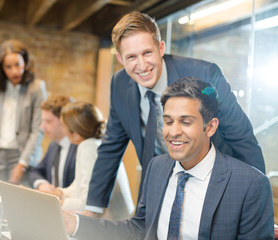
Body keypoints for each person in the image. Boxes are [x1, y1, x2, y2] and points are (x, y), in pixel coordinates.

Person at [86, 11, 265, 213]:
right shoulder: (119, 84)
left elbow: (241, 136)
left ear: (161, 48)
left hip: (213, 185)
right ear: (120, 58)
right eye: (131, 57)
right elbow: (111, 147)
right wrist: (93, 208)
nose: (142, 65)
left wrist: (257, 202)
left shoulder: (205, 75)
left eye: (147, 53)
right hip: (159, 188)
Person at [63, 77, 274, 240]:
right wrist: (74, 223)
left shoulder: (250, 185)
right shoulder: (158, 167)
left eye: (186, 122)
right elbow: (139, 229)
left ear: (210, 127)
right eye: (168, 121)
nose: (173, 132)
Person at [43, 101, 134, 220]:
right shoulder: (95, 143)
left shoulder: (87, 147)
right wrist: (60, 193)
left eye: (62, 125)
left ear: (75, 134)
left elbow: (87, 203)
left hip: (113, 225)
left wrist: (58, 203)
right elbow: (78, 185)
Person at [0, 39, 47, 184]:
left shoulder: (37, 87)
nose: (14, 71)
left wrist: (22, 164)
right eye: (8, 67)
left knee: (20, 202)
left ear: (25, 62)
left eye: (17, 65)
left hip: (22, 155)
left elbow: (37, 130)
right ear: (1, 68)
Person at [27, 95, 77, 190]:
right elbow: (35, 172)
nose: (42, 127)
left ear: (65, 121)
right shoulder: (53, 146)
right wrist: (42, 184)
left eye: (48, 121)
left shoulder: (79, 148)